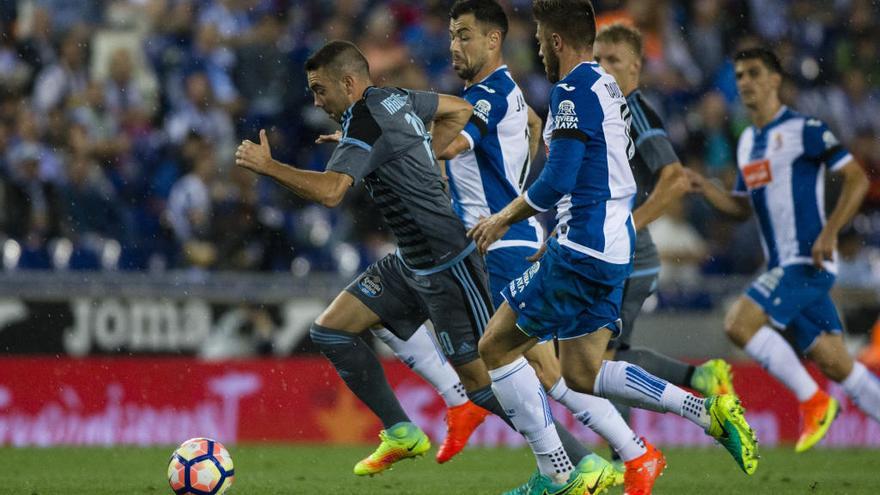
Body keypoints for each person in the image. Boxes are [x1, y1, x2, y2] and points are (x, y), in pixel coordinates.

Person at [236, 40, 598, 478]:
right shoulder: (394, 98)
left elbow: (332, 192)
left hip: (448, 263)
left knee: (484, 387)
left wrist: (267, 166)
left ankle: (581, 462)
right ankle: (401, 430)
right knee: (331, 331)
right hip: (410, 261)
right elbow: (457, 111)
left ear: (349, 83)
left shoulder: (366, 118)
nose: (316, 101)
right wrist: (413, 148)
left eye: (320, 90)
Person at [469, 2, 758, 493]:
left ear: (556, 41)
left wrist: (502, 218)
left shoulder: (571, 89)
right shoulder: (607, 86)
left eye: (540, 36)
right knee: (583, 372)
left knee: (493, 346)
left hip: (583, 249)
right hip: (609, 248)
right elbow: (597, 174)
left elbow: (557, 180)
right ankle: (708, 412)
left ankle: (555, 472)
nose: (537, 45)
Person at [688, 47, 880, 452]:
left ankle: (813, 402)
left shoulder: (804, 128)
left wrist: (830, 232)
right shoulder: (747, 144)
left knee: (738, 323)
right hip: (782, 267)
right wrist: (707, 188)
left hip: (807, 260)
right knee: (837, 363)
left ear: (775, 80)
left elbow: (856, 180)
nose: (745, 82)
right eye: (739, 75)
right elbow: (742, 208)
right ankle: (823, 397)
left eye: (754, 73)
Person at [592, 21, 737, 461]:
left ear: (635, 67)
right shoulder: (606, 111)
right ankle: (699, 380)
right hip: (618, 252)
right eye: (596, 59)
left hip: (631, 254)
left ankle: (626, 456)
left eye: (612, 60)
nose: (602, 68)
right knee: (613, 358)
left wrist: (627, 226)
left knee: (600, 360)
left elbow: (674, 178)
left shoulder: (634, 110)